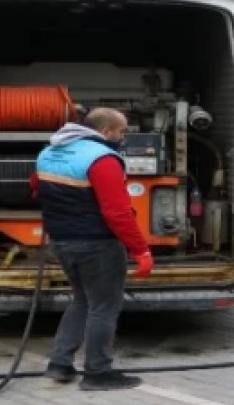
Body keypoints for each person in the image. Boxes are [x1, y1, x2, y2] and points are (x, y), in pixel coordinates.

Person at [33, 108, 154, 390]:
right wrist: (141, 250)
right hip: (97, 244)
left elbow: (37, 190)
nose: (122, 137)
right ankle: (97, 373)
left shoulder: (49, 153)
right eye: (121, 131)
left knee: (82, 300)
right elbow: (117, 212)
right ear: (107, 131)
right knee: (104, 307)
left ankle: (60, 363)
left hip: (61, 241)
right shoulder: (102, 159)